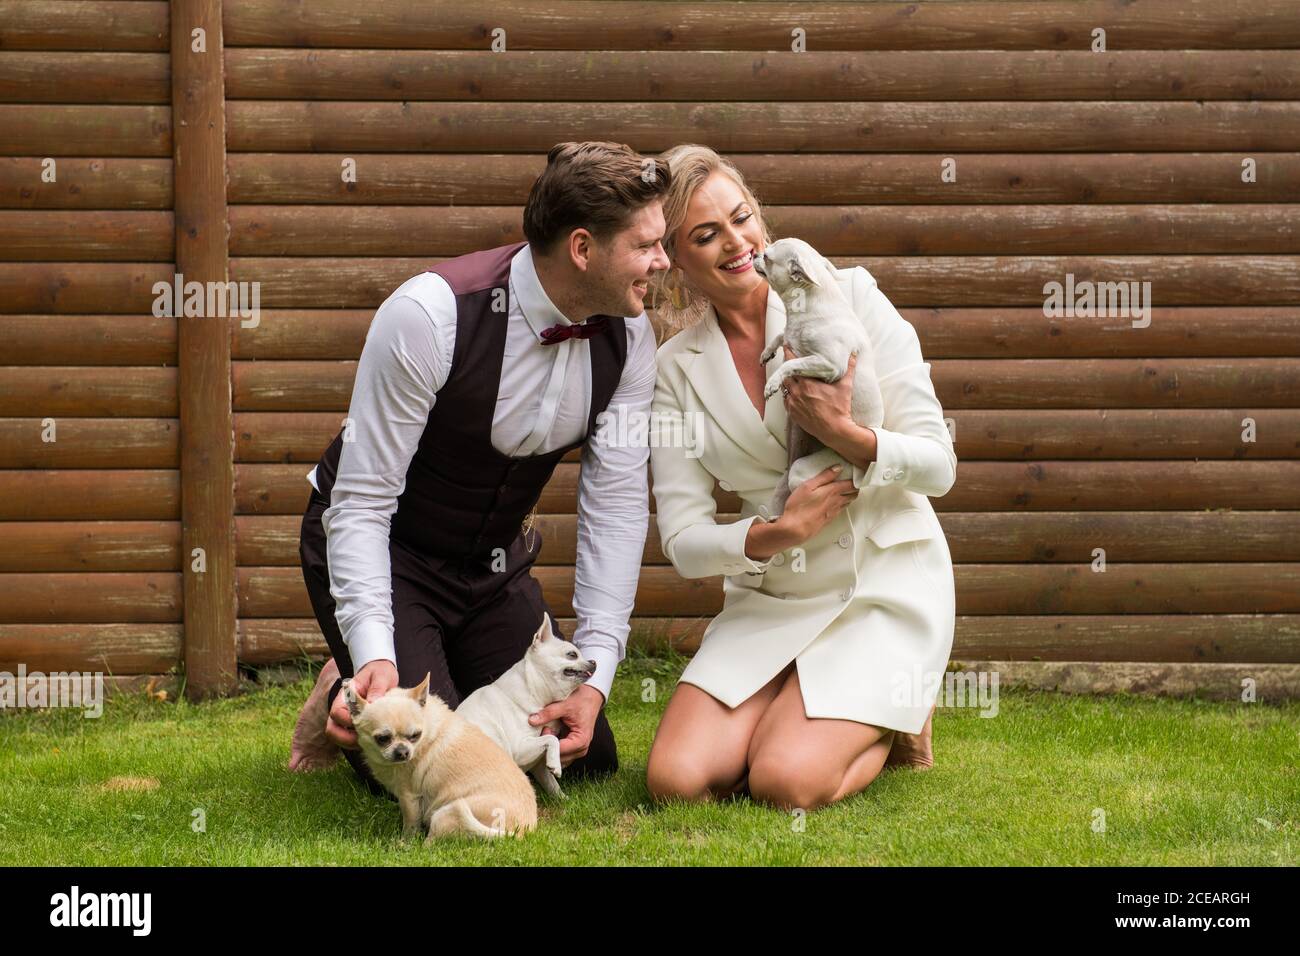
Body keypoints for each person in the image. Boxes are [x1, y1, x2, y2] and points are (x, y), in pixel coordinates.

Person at [288, 142, 671, 792]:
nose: (664, 261)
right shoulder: (428, 316)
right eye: (648, 246)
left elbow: (615, 510)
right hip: (388, 552)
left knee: (582, 758)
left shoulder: (630, 340)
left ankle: (359, 667)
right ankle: (350, 679)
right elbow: (361, 506)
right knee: (436, 768)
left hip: (492, 568)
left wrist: (597, 679)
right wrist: (378, 652)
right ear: (583, 249)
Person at [643, 144, 958, 812]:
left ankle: (901, 714)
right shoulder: (673, 369)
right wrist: (771, 534)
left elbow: (939, 465)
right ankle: (802, 700)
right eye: (707, 234)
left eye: (743, 217)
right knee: (677, 783)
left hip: (879, 584)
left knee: (784, 783)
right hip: (773, 597)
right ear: (676, 261)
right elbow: (681, 535)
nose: (738, 242)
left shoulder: (852, 295)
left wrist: (848, 436)